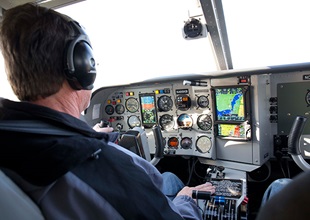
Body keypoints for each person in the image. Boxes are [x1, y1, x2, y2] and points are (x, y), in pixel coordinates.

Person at [0, 3, 215, 220]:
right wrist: (188, 198)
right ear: (82, 67)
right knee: (174, 181)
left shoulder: (15, 138)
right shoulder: (98, 166)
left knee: (167, 176)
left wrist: (89, 135)